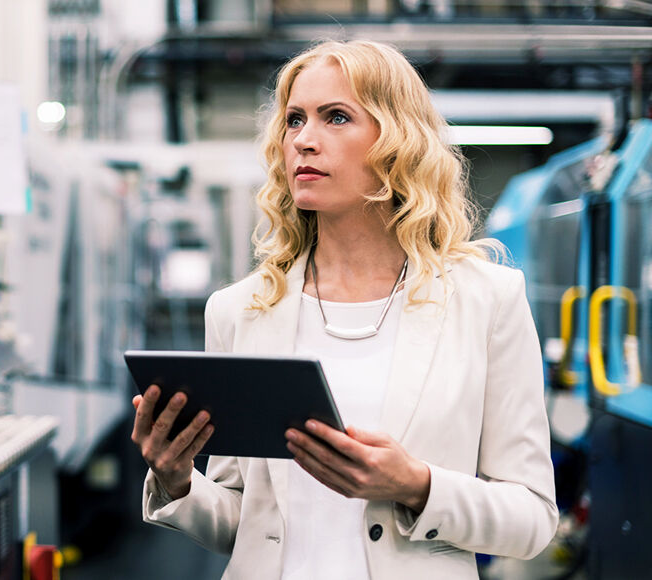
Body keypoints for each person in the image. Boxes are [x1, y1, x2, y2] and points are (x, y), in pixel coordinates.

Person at [130, 39, 557, 579]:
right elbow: (243, 523)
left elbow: (532, 519)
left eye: (336, 117)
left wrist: (416, 485)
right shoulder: (243, 309)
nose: (304, 140)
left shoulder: (486, 300)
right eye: (293, 120)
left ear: (398, 141)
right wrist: (178, 481)